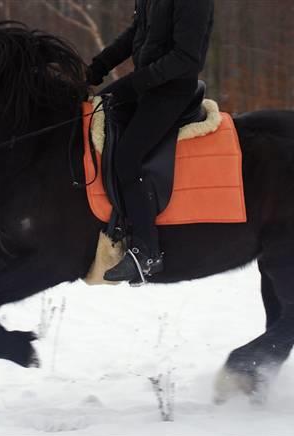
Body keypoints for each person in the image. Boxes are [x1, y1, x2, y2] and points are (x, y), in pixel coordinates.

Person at [86, 0, 215, 283]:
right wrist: (97, 67)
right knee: (98, 114)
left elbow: (186, 57)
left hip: (172, 92)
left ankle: (146, 252)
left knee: (128, 158)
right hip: (149, 85)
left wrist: (136, 82)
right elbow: (136, 33)